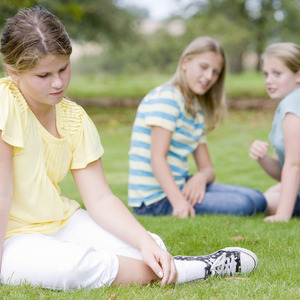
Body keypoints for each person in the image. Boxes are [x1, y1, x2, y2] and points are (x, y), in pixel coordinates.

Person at [0, 6, 258, 290]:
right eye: (44, 75)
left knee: (151, 245)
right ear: (14, 73)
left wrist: (145, 243)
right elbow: (3, 192)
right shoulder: (5, 104)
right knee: (73, 269)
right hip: (13, 237)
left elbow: (99, 198)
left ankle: (152, 265)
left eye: (63, 68)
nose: (59, 82)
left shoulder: (75, 118)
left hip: (62, 222)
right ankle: (192, 268)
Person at [128, 36, 267, 218]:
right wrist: (179, 203)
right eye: (204, 67)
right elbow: (157, 158)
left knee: (256, 197)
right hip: (155, 201)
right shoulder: (167, 98)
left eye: (216, 72)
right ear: (185, 62)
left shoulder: (194, 108)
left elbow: (208, 169)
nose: (209, 77)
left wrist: (199, 178)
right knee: (246, 204)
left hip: (180, 185)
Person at [249, 42, 300, 222]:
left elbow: (294, 165)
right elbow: (283, 168)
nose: (269, 80)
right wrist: (262, 157)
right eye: (266, 74)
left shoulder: (292, 106)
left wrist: (282, 214)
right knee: (268, 194)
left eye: (277, 74)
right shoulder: (288, 103)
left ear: (298, 74)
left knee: (261, 202)